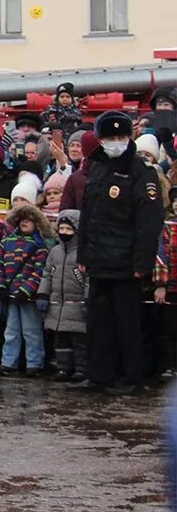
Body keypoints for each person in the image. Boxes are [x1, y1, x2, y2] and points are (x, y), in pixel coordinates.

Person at [78, 111, 165, 396]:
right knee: (98, 321)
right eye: (109, 138)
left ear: (130, 138)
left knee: (127, 323)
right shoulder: (97, 167)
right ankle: (98, 375)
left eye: (120, 137)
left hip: (126, 262)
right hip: (98, 260)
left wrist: (142, 262)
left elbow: (148, 222)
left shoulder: (142, 172)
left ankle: (132, 378)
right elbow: (88, 215)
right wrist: (83, 254)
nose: (115, 142)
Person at [0, 205, 52, 376]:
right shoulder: (6, 242)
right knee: (11, 331)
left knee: (32, 331)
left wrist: (26, 290)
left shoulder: (39, 246)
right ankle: (8, 362)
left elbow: (39, 272)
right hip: (10, 294)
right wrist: (0, 286)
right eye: (22, 219)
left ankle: (34, 364)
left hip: (29, 297)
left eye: (30, 220)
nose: (25, 223)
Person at [39, 209, 87, 382]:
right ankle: (63, 368)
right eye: (62, 228)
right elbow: (47, 274)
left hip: (76, 303)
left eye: (69, 229)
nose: (65, 232)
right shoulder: (55, 252)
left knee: (79, 342)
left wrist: (87, 300)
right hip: (57, 304)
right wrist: (43, 294)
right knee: (61, 341)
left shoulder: (83, 252)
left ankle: (81, 369)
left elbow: (88, 279)